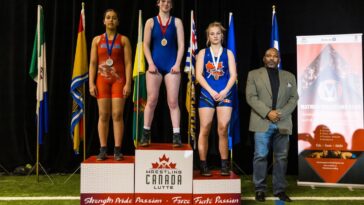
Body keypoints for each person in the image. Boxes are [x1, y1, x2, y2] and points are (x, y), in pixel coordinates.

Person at [246, 48, 298, 202]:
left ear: (279, 59)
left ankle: (279, 190)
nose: (271, 58)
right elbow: (251, 97)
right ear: (264, 58)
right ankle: (260, 189)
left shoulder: (289, 76)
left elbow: (294, 98)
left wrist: (279, 113)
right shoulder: (254, 74)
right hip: (262, 122)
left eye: (275, 56)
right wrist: (268, 112)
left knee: (281, 158)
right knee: (260, 156)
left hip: (283, 122)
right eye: (268, 55)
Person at [140, 0, 184, 147]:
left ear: (171, 5)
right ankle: (146, 134)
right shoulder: (150, 22)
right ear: (158, 3)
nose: (166, 4)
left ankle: (176, 135)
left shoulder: (177, 22)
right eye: (163, 1)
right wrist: (150, 63)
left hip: (172, 65)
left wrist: (178, 63)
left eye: (169, 2)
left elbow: (182, 45)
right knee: (152, 100)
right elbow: (145, 45)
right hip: (155, 66)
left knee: (173, 101)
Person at [89, 9, 132, 161]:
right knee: (104, 115)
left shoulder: (123, 40)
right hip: (102, 81)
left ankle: (118, 149)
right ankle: (103, 149)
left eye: (114, 18)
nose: (111, 20)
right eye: (108, 17)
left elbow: (128, 63)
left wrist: (128, 83)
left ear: (118, 22)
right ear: (104, 21)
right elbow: (93, 63)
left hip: (119, 82)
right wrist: (91, 83)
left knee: (117, 115)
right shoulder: (96, 40)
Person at [195, 22, 237, 177]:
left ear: (222, 35)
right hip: (207, 93)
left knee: (223, 128)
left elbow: (233, 75)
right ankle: (203, 164)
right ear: (208, 36)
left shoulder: (228, 53)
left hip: (225, 93)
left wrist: (225, 90)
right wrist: (212, 91)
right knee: (205, 128)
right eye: (212, 33)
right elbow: (199, 75)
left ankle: (224, 164)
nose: (215, 36)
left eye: (217, 33)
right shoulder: (202, 53)